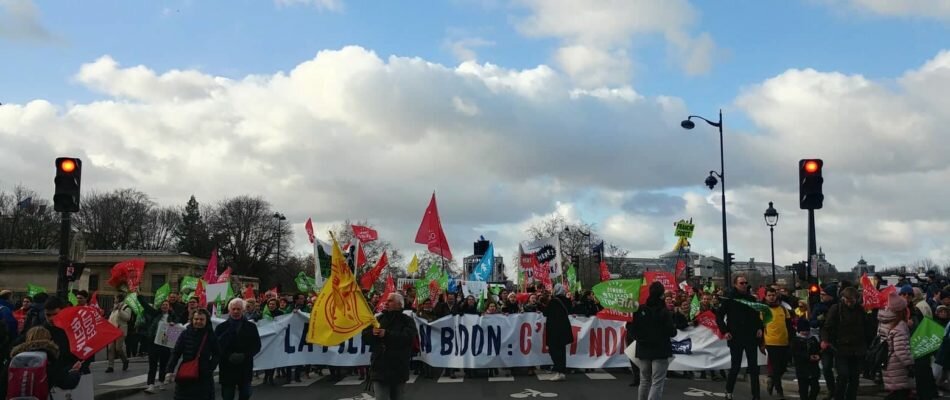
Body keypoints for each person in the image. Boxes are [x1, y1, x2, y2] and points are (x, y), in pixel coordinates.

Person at [716, 274, 763, 400]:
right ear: (735, 284)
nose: (744, 285)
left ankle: (756, 395)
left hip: (751, 336)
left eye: (745, 282)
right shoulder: (729, 299)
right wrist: (725, 331)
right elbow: (719, 316)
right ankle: (729, 390)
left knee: (753, 367)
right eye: (741, 283)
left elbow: (756, 316)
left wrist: (759, 328)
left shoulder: (751, 299)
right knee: (735, 366)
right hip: (735, 337)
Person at [363, 293, 418, 400]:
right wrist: (371, 333)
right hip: (380, 368)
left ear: (399, 305)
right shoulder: (378, 319)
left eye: (390, 301)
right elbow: (365, 338)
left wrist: (387, 334)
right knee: (381, 397)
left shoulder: (407, 321)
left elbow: (409, 337)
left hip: (398, 367)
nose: (386, 303)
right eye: (387, 300)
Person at [821, 286, 871, 400]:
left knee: (854, 378)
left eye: (852, 301)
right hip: (841, 348)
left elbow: (867, 328)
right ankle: (838, 396)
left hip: (858, 348)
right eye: (847, 300)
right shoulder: (836, 309)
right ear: (843, 298)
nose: (849, 303)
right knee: (843, 375)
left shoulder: (861, 310)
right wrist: (825, 340)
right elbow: (827, 327)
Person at [629, 281, 676, 400]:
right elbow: (672, 331)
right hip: (660, 350)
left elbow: (632, 328)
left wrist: (639, 338)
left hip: (644, 349)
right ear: (661, 295)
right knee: (657, 382)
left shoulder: (640, 309)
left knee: (644, 380)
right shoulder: (664, 312)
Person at [9, 326, 82, 393]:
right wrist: (75, 372)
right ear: (48, 339)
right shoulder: (47, 359)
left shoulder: (16, 358)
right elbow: (65, 382)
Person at [168, 308, 220, 400]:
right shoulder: (185, 334)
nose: (198, 321)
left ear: (206, 320)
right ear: (192, 320)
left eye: (201, 319)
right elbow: (176, 352)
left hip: (204, 375)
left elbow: (217, 353)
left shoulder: (211, 335)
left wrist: (211, 367)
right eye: (196, 319)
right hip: (186, 374)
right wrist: (170, 369)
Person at [215, 298, 262, 400]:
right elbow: (217, 346)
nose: (236, 311)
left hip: (245, 366)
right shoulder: (221, 327)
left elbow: (256, 345)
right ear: (229, 310)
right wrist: (228, 356)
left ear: (243, 310)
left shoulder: (251, 327)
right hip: (227, 367)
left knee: (245, 394)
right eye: (234, 309)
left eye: (239, 309)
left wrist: (244, 355)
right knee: (227, 396)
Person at [877, 292, 914, 399]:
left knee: (897, 393)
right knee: (900, 394)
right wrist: (910, 364)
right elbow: (901, 349)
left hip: (887, 362)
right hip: (898, 366)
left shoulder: (883, 321)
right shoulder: (899, 326)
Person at [763, 287, 792, 400]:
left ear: (777, 296)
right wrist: (761, 343)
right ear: (765, 297)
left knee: (783, 367)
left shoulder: (783, 309)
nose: (771, 297)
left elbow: (789, 326)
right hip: (771, 342)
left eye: (773, 295)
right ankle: (780, 391)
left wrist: (791, 340)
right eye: (769, 295)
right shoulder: (763, 310)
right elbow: (760, 327)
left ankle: (772, 380)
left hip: (784, 342)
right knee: (775, 367)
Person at [144, 300, 178, 393]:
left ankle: (161, 381)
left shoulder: (173, 317)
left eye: (166, 305)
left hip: (165, 343)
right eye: (163, 305)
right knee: (152, 364)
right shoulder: (156, 314)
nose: (164, 306)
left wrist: (173, 324)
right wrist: (139, 295)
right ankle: (150, 385)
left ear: (169, 307)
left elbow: (177, 328)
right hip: (154, 342)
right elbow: (146, 306)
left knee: (163, 364)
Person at [811, 284, 838, 398]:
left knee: (841, 369)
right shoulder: (818, 307)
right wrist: (819, 320)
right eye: (821, 294)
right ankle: (831, 389)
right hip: (825, 340)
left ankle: (839, 391)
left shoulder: (838, 307)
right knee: (826, 367)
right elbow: (812, 322)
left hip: (838, 341)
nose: (821, 296)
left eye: (824, 294)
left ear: (831, 296)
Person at [543, 284, 573, 382]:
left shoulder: (554, 301)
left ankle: (558, 371)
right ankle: (562, 372)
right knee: (562, 351)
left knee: (554, 350)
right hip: (564, 329)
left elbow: (546, 312)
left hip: (554, 330)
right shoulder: (567, 300)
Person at [792, 318, 821, 400]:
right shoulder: (796, 340)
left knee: (815, 388)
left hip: (813, 369)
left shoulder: (813, 339)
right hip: (802, 369)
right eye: (803, 330)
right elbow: (796, 354)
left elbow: (819, 350)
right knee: (803, 390)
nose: (805, 332)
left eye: (807, 330)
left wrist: (818, 356)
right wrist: (808, 357)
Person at [106, 293, 131, 373]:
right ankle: (110, 366)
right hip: (112, 330)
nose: (114, 299)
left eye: (115, 298)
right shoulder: (114, 307)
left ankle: (125, 361)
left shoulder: (126, 307)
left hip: (120, 330)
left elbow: (127, 318)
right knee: (110, 349)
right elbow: (111, 318)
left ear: (119, 298)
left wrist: (120, 310)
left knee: (118, 348)